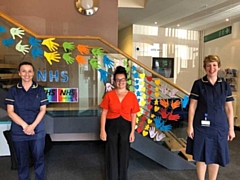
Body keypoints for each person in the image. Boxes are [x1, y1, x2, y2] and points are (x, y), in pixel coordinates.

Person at [186, 55, 235, 180]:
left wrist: (231, 128)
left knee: (216, 153)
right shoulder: (198, 84)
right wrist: (190, 125)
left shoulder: (225, 85)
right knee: (201, 154)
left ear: (219, 67)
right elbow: (192, 106)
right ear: (204, 67)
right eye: (208, 65)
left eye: (214, 65)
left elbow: (229, 108)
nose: (211, 68)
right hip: (201, 126)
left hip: (219, 126)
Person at [4, 61, 49, 180]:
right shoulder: (13, 91)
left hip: (37, 130)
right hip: (19, 132)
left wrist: (32, 126)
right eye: (23, 71)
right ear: (19, 73)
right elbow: (10, 111)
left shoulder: (39, 90)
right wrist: (25, 126)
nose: (27, 74)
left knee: (39, 159)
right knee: (22, 161)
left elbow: (43, 110)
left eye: (29, 71)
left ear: (33, 73)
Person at [100, 66, 140, 180]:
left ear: (126, 81)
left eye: (122, 79)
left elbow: (134, 115)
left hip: (126, 126)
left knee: (124, 153)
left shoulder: (132, 96)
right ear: (114, 81)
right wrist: (102, 130)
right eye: (118, 80)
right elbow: (103, 113)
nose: (120, 82)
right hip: (111, 125)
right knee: (111, 153)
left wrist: (132, 132)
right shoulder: (109, 95)